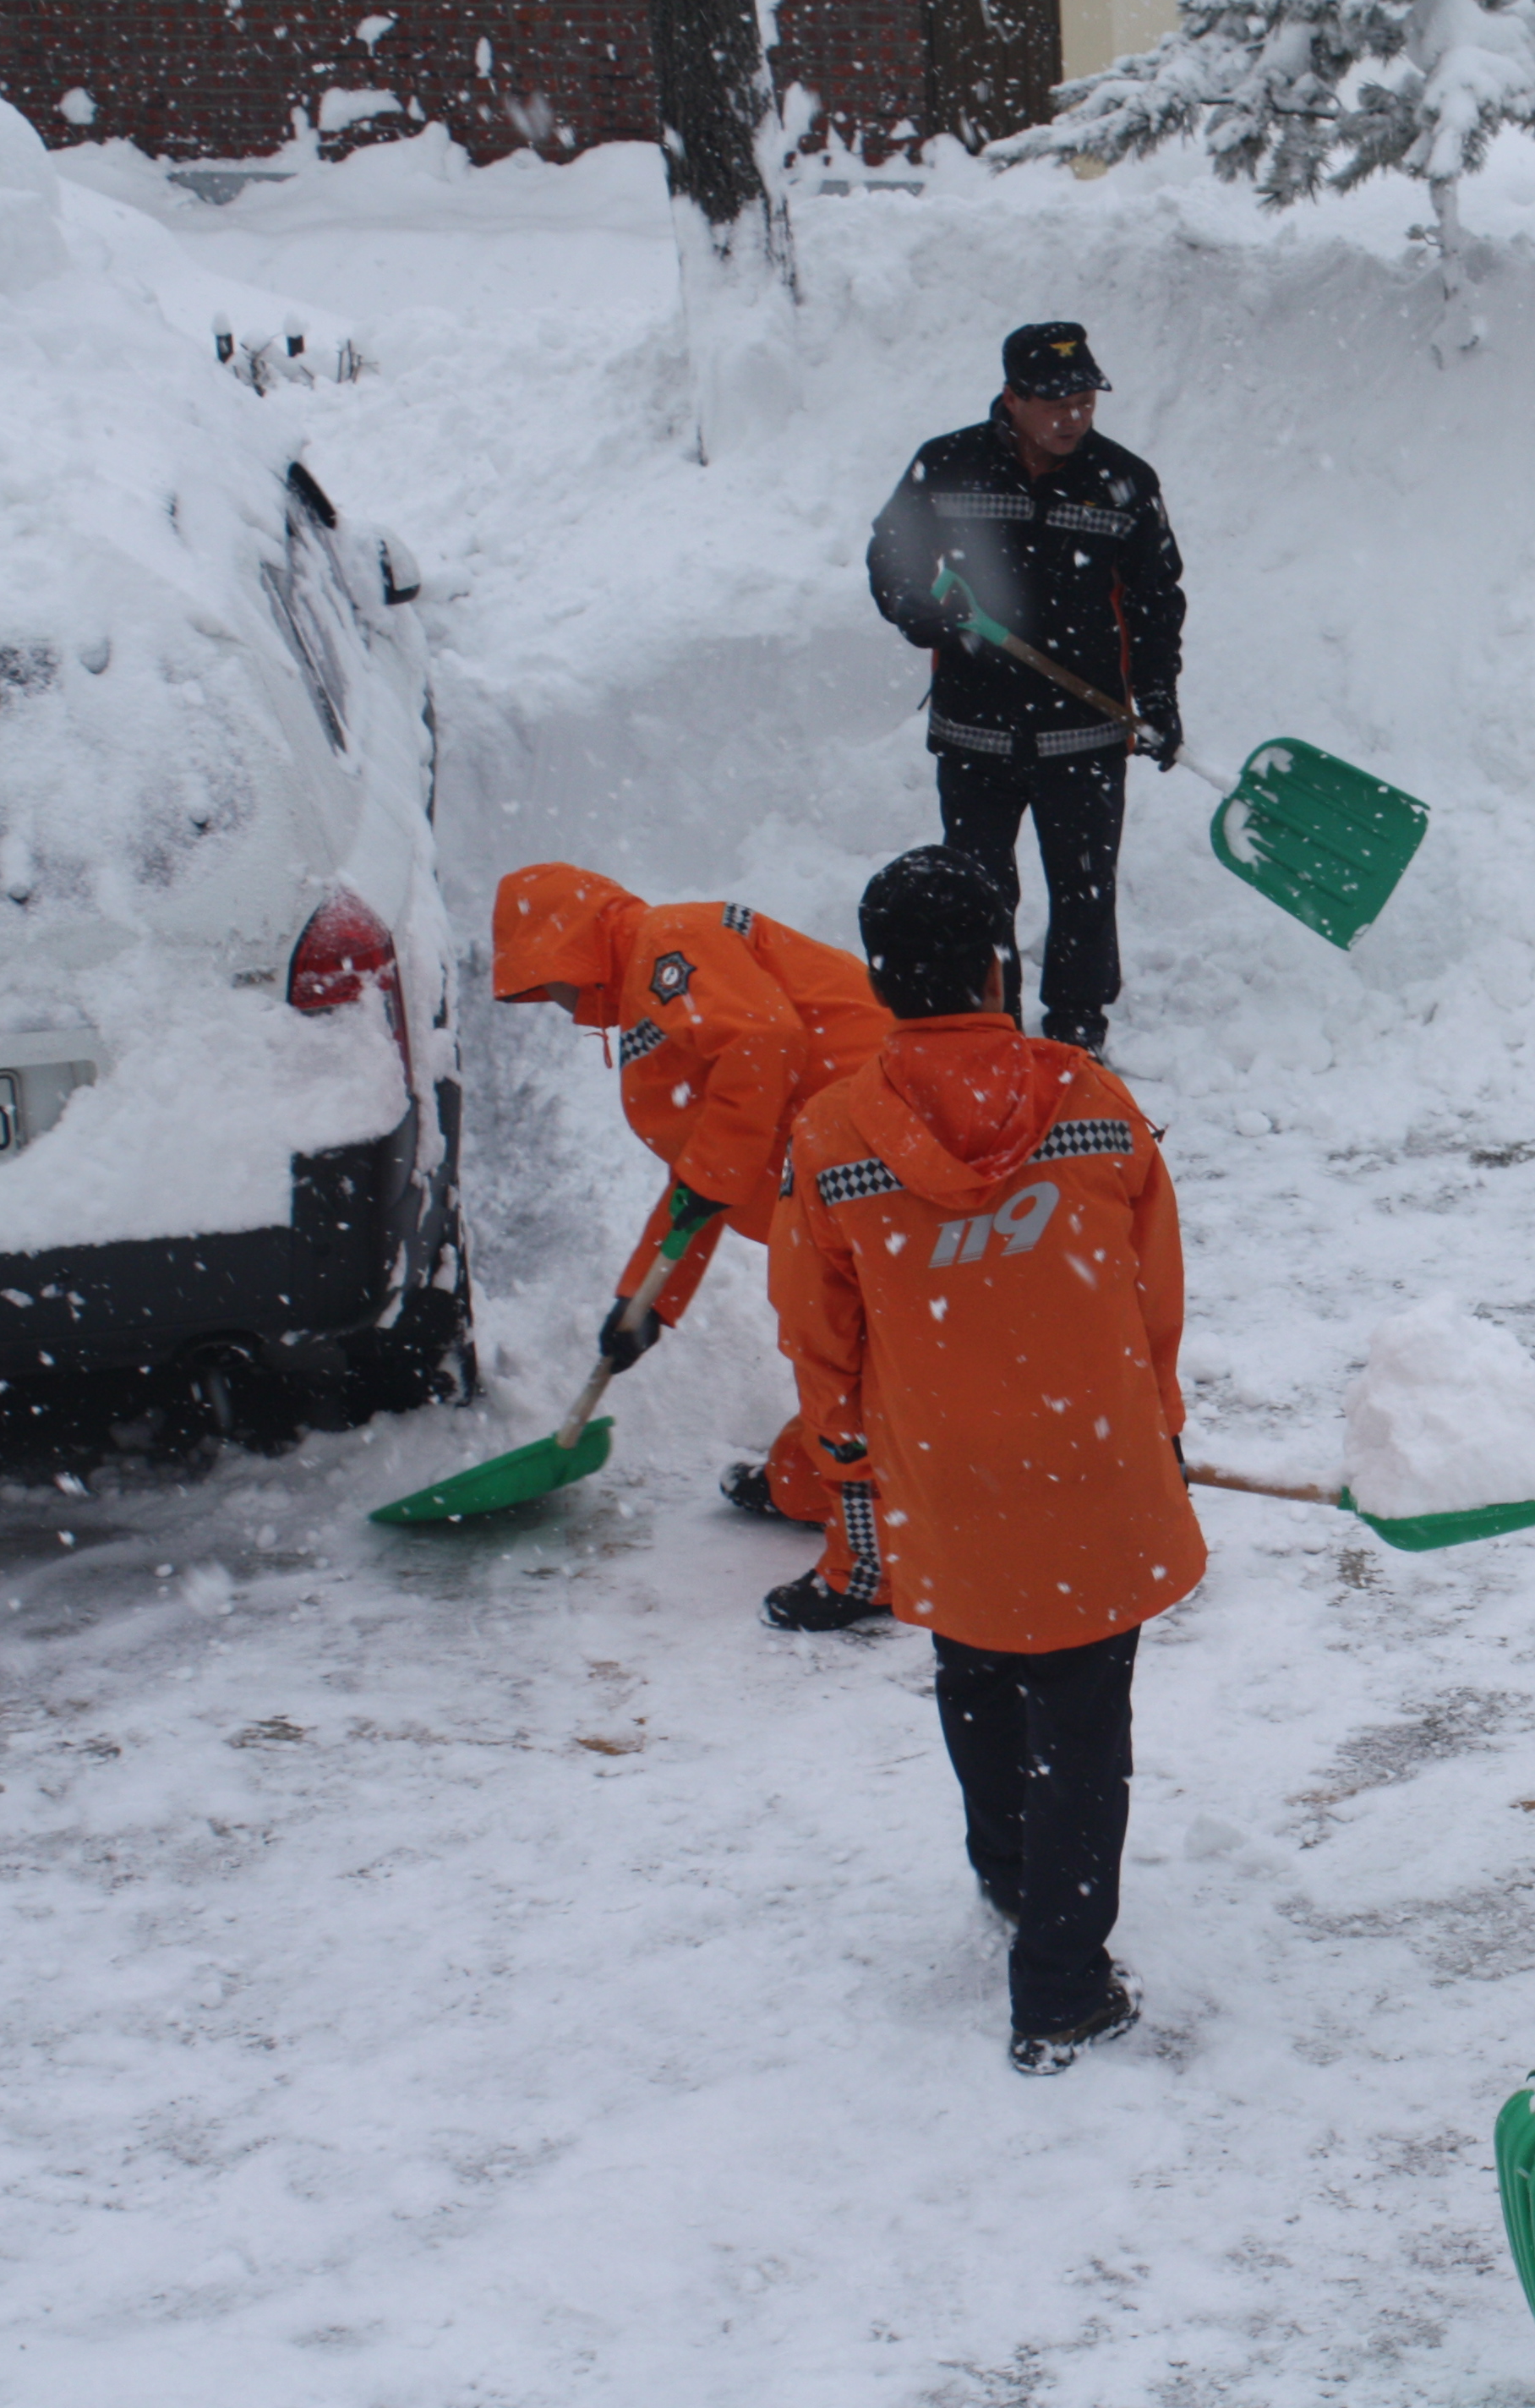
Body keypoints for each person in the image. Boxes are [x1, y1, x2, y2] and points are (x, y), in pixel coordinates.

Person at [769, 846, 1205, 2069]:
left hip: (945, 1475)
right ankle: (1061, 1985)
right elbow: (1153, 1289)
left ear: (878, 978)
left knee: (972, 1671)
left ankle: (1010, 1870)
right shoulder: (1094, 1102)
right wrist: (1158, 1418)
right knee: (1083, 1721)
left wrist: (840, 1437)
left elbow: (815, 1319)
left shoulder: (834, 1135)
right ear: (999, 967)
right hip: (1091, 1463)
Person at [489, 864, 897, 1623]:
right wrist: (645, 1301)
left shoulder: (667, 942)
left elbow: (765, 1044)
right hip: (837, 1175)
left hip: (873, 1156)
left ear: (566, 945)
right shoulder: (653, 1000)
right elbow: (702, 1173)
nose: (557, 1005)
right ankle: (810, 1482)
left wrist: (713, 1174)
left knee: (839, 1354)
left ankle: (873, 1563)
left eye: (547, 982)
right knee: (853, 1364)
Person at [866, 320, 1188, 1058]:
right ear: (1012, 398)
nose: (1073, 417)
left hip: (1085, 730)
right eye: (1054, 402)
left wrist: (1159, 698)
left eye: (1085, 401)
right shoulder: (949, 465)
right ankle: (993, 1027)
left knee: (1085, 886)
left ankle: (1078, 1028)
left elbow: (1155, 599)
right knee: (980, 892)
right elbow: (892, 554)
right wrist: (919, 610)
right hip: (974, 729)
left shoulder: (1124, 481)